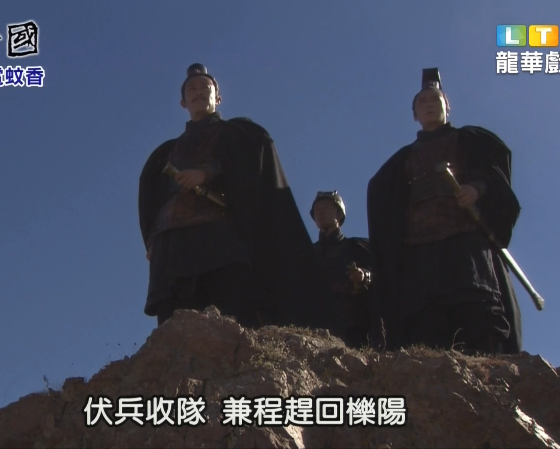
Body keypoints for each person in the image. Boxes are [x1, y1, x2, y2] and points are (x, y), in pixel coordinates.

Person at [138, 63, 332, 329]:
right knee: (175, 319)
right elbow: (153, 199)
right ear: (183, 102)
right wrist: (152, 240)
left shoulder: (239, 135)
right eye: (191, 89)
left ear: (217, 97)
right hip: (172, 242)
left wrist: (206, 174)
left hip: (220, 232)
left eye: (205, 87)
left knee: (232, 308)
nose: (198, 92)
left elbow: (250, 167)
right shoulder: (165, 153)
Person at [366, 68, 522, 355]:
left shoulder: (470, 141)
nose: (429, 105)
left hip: (465, 243)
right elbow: (385, 202)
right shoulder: (402, 162)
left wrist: (476, 188)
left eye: (435, 100)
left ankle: (491, 371)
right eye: (422, 102)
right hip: (420, 251)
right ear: (414, 114)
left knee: (478, 313)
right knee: (426, 322)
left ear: (447, 106)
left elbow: (492, 174)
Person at [310, 191, 372, 348]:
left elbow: (380, 271)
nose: (320, 212)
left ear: (339, 214)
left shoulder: (356, 247)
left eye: (325, 207)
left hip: (352, 323)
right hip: (317, 321)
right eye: (317, 210)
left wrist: (364, 275)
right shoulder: (308, 254)